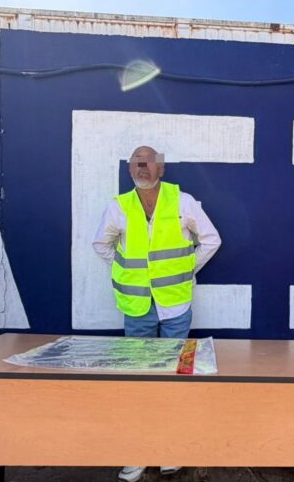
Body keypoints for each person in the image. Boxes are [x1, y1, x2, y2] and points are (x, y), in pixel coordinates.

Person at [92, 145, 221, 482]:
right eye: (136, 162)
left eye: (148, 161)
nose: (142, 167)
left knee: (175, 381)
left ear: (161, 168)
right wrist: (124, 272)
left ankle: (169, 451)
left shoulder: (183, 202)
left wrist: (187, 270)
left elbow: (211, 240)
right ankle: (138, 454)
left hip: (175, 306)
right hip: (137, 307)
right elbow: (101, 245)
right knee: (139, 381)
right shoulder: (119, 207)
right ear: (130, 169)